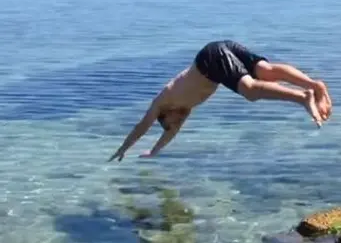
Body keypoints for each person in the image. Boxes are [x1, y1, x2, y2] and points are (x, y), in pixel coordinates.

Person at [108, 40, 332, 162]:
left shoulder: (163, 100)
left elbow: (142, 126)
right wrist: (154, 151)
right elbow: (169, 134)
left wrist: (123, 148)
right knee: (266, 70)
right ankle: (314, 85)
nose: (178, 125)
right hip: (221, 49)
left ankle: (303, 96)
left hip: (210, 61)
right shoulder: (182, 108)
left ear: (166, 116)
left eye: (173, 123)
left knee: (251, 91)